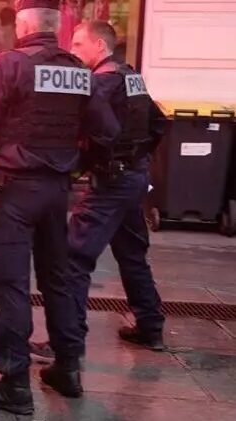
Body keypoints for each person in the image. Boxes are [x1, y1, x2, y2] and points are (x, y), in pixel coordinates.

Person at [0, 0, 119, 415]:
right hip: (57, 191)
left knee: (11, 284)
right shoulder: (78, 71)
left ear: (24, 23)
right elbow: (108, 132)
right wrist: (75, 163)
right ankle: (68, 369)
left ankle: (15, 384)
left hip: (16, 190)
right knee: (56, 280)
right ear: (57, 25)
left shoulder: (10, 65)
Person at [66, 21, 167, 351]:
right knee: (132, 255)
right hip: (135, 179)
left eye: (78, 44)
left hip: (110, 183)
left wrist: (80, 166)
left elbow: (95, 135)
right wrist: (138, 159)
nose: (72, 51)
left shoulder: (101, 83)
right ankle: (150, 326)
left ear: (99, 45)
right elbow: (159, 123)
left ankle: (66, 340)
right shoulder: (131, 77)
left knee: (74, 257)